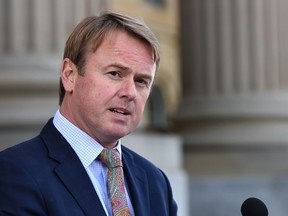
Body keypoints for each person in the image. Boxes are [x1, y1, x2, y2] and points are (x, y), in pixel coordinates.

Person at [0, 11, 177, 216]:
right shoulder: (13, 173)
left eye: (141, 81)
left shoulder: (155, 181)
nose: (130, 93)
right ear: (69, 75)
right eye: (115, 73)